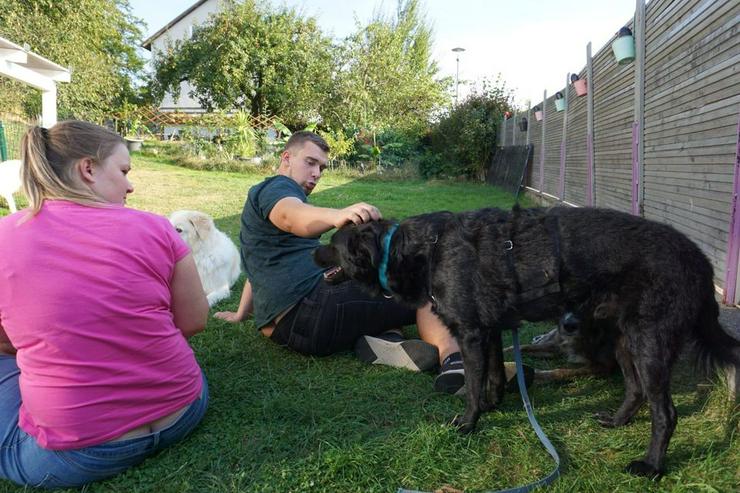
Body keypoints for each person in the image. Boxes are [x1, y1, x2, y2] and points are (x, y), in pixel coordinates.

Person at [0, 121, 209, 489]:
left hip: (79, 454)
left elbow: (7, 342)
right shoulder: (157, 228)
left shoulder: (5, 237)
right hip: (183, 411)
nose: (130, 185)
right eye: (124, 171)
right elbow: (193, 321)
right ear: (88, 169)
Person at [215, 131, 468, 393]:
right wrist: (339, 214)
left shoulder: (261, 205)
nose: (316, 173)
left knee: (370, 280)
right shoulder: (278, 188)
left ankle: (387, 339)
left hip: (285, 332)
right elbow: (292, 216)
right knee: (423, 282)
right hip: (312, 309)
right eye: (310, 162)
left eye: (322, 168)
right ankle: (456, 362)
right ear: (287, 157)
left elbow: (258, 270)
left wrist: (241, 314)